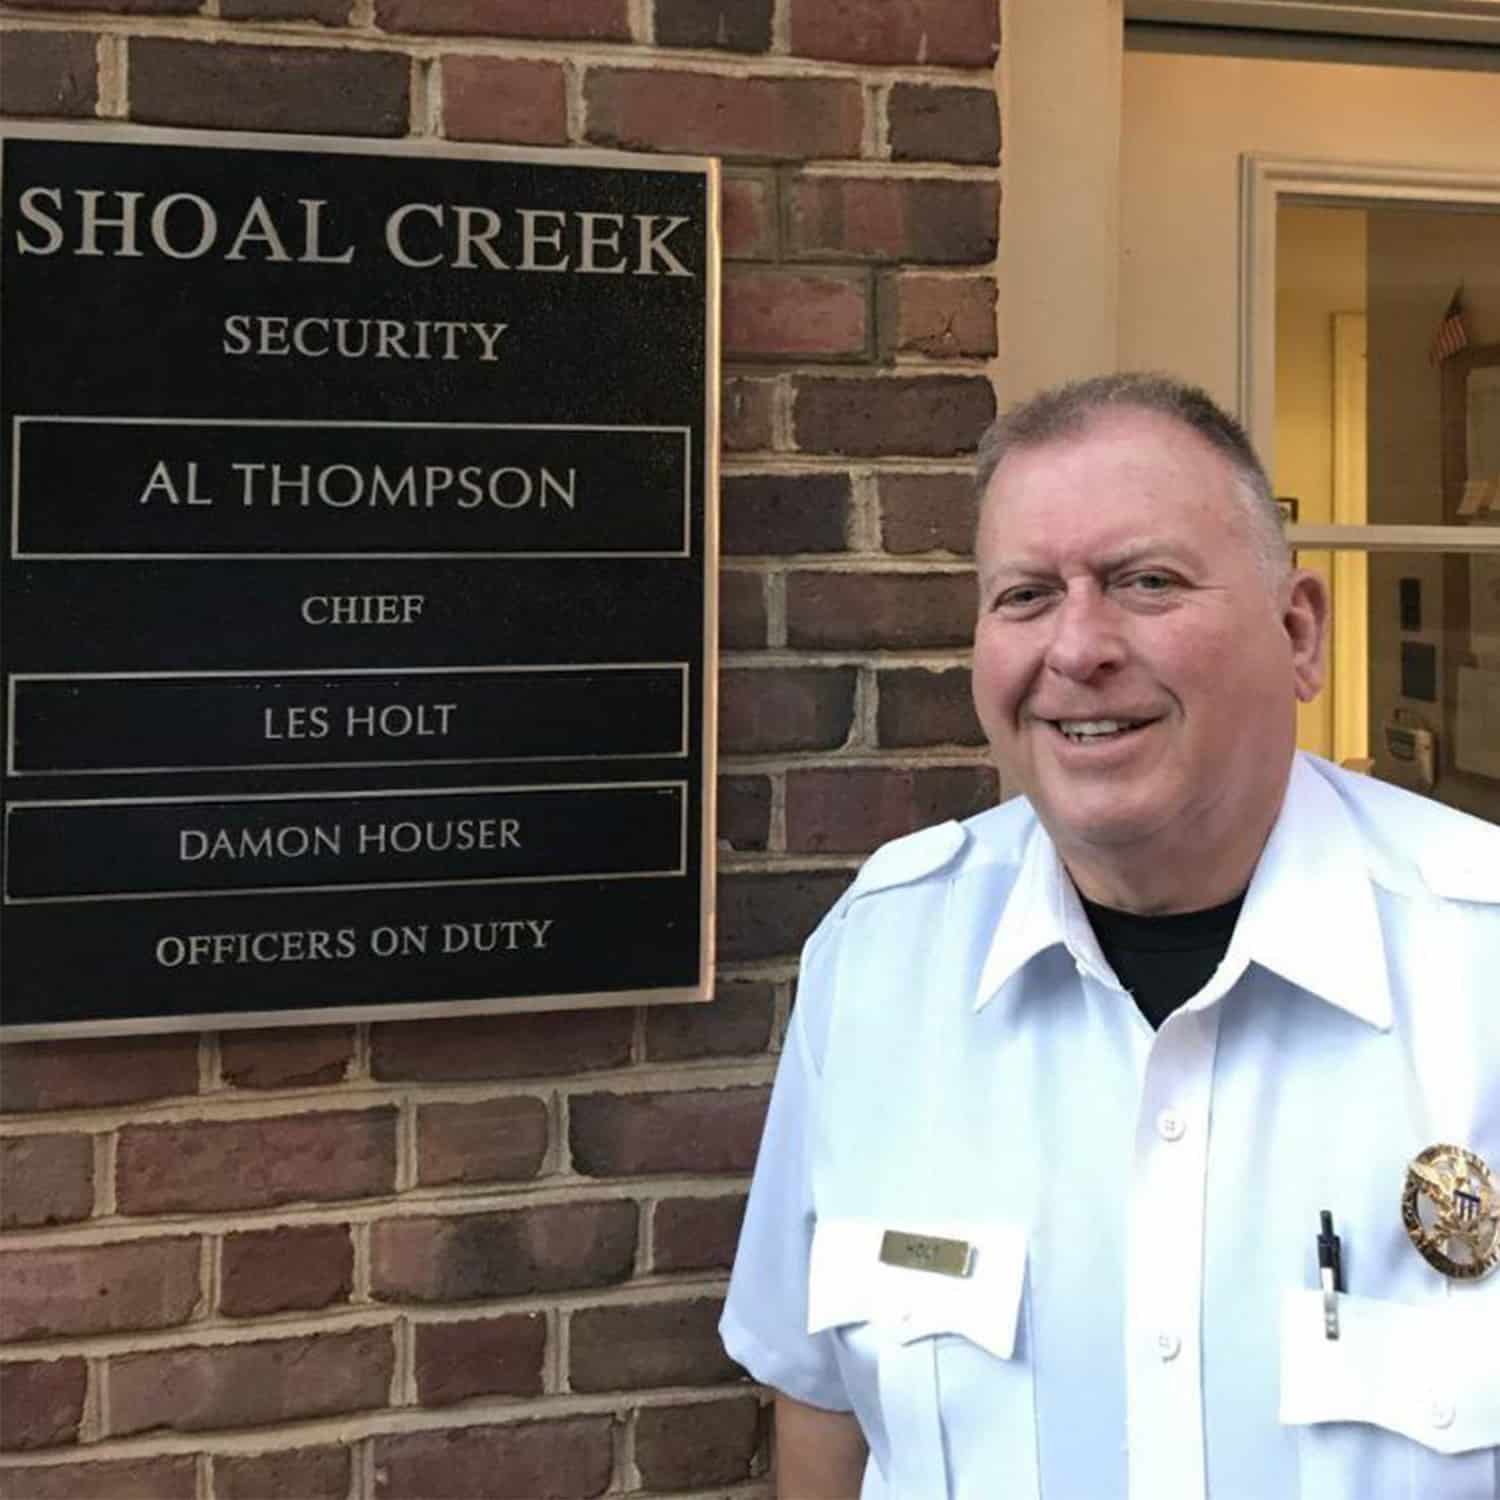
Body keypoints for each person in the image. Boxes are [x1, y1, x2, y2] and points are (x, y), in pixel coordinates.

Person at [721, 373, 1500, 1500]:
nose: (1077, 647)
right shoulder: (882, 957)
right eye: (1026, 596)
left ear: (1299, 633)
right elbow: (824, 1414)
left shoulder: (1478, 962)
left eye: (1146, 582)